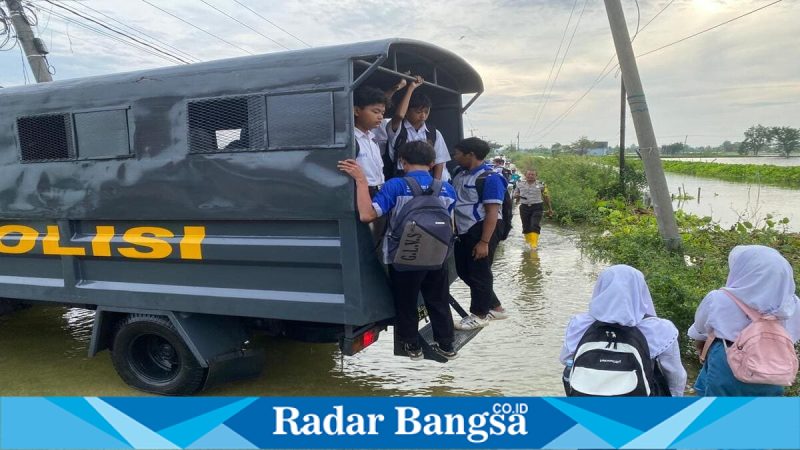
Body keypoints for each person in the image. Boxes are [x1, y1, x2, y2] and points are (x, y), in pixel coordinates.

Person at [338, 141, 458, 361]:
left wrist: (361, 180)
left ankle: (412, 346)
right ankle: (447, 344)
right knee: (438, 299)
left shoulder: (395, 186)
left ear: (402, 162)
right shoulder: (447, 189)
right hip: (437, 255)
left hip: (404, 256)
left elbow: (367, 215)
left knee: (406, 302)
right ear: (432, 164)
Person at [689, 245, 800, 396]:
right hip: (773, 365)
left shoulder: (719, 299)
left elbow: (700, 330)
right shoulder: (792, 304)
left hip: (726, 360)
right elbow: (792, 336)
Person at [560, 265, 687, 397]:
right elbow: (676, 375)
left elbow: (565, 359)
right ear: (641, 290)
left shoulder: (580, 323)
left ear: (601, 288)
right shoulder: (660, 329)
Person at [451, 137, 509, 330]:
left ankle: (479, 314)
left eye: (458, 153)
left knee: (479, 273)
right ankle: (496, 307)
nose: (455, 156)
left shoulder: (490, 178)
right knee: (464, 271)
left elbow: (492, 212)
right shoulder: (459, 173)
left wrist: (484, 242)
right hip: (464, 229)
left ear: (471, 155)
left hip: (483, 227)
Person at [388, 78, 450, 180]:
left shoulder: (434, 133)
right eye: (418, 112)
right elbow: (399, 115)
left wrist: (436, 184)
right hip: (402, 176)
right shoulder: (397, 129)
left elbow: (440, 160)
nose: (423, 116)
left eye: (426, 112)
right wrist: (411, 88)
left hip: (427, 177)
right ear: (407, 111)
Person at [513, 169, 553, 250]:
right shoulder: (519, 184)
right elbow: (515, 195)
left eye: (533, 175)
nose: (530, 176)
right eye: (529, 174)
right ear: (525, 175)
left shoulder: (542, 185)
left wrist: (550, 209)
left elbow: (546, 197)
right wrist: (516, 196)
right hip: (524, 207)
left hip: (537, 207)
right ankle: (528, 242)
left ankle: (534, 245)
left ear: (536, 176)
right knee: (526, 226)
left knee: (535, 225)